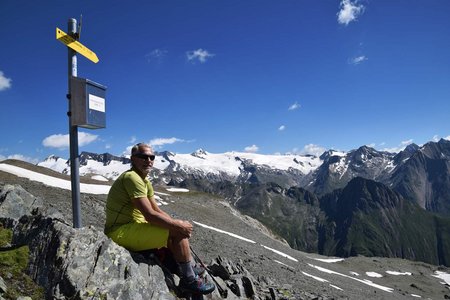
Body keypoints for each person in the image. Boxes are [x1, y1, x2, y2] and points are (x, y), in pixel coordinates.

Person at [104, 143, 215, 294]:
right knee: (177, 232)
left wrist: (175, 223)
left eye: (151, 157)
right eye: (143, 156)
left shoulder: (145, 181)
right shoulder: (132, 178)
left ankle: (181, 266)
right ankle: (188, 279)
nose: (148, 160)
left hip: (132, 227)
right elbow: (150, 215)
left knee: (174, 228)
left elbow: (157, 210)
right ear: (133, 159)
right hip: (119, 232)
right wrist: (178, 227)